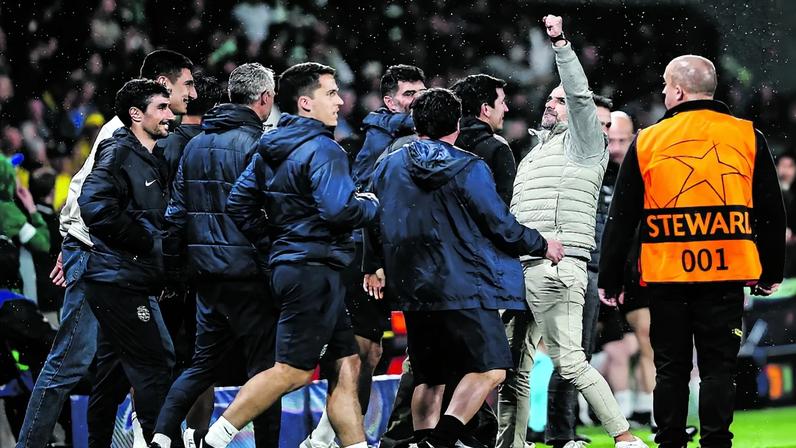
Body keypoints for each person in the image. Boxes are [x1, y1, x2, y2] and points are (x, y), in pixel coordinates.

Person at [599, 54, 786, 448]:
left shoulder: (648, 140)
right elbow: (771, 211)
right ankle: (717, 442)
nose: (664, 93)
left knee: (671, 369)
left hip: (668, 276)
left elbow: (623, 216)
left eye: (667, 87)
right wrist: (770, 271)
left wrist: (611, 277)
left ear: (679, 91)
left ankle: (670, 441)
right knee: (719, 369)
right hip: (726, 273)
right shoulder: (748, 135)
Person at [362, 87, 561, 448]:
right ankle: (437, 443)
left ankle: (424, 439)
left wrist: (373, 264)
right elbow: (498, 224)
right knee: (491, 369)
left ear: (415, 122)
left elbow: (373, 219)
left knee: (429, 376)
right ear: (457, 123)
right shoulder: (469, 166)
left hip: (415, 288)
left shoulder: (388, 164)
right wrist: (542, 243)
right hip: (465, 284)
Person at [16, 49, 195, 448]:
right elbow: (94, 197)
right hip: (98, 255)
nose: (192, 94)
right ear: (160, 87)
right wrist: (77, 244)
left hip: (110, 260)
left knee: (127, 364)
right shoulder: (122, 135)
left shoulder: (142, 132)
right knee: (70, 363)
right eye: (186, 85)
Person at [195, 62, 378, 448]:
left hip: (298, 267)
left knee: (347, 365)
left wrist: (274, 243)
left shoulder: (269, 147)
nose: (340, 100)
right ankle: (214, 440)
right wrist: (370, 205)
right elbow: (339, 210)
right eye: (330, 93)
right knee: (291, 372)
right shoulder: (325, 149)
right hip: (315, 271)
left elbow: (239, 202)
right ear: (305, 103)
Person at [501, 15, 646, 448]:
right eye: (551, 98)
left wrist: (560, 43)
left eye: (561, 101)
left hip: (557, 266)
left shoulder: (586, 145)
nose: (552, 103)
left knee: (571, 363)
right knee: (514, 371)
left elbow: (580, 94)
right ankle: (511, 444)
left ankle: (624, 438)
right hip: (521, 269)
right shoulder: (533, 152)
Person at [150, 62, 280, 448]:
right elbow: (269, 213)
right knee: (264, 372)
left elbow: (175, 217)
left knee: (199, 366)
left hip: (206, 278)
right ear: (265, 98)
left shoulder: (196, 144)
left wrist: (175, 276)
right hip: (250, 277)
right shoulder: (260, 144)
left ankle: (160, 437)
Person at [304, 63, 427, 448]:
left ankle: (331, 437)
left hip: (395, 261)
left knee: (374, 352)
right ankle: (328, 439)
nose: (416, 102)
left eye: (421, 95)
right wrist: (372, 262)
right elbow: (363, 206)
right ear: (390, 102)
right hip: (366, 264)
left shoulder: (416, 138)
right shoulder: (372, 143)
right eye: (409, 95)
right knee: (362, 352)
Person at [77, 78, 176, 445]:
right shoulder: (117, 152)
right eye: (161, 108)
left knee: (114, 375)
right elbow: (94, 206)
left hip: (121, 278)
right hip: (121, 280)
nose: (170, 114)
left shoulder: (151, 158)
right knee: (156, 364)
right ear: (136, 114)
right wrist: (146, 241)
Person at [450, 74, 515, 205]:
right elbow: (504, 207)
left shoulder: (440, 142)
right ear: (486, 109)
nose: (506, 109)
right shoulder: (497, 148)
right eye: (502, 102)